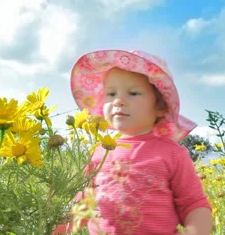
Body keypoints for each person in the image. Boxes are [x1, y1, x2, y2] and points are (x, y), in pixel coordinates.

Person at [57, 50, 212, 235]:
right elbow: (83, 205)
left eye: (133, 93)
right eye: (111, 93)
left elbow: (193, 203)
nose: (118, 101)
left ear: (160, 106)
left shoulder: (172, 153)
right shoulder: (99, 152)